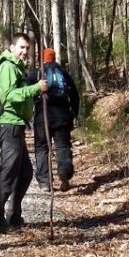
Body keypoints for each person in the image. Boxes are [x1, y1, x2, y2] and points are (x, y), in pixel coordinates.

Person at [0, 33, 48, 233]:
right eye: (21, 47)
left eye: (27, 48)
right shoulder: (7, 66)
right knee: (8, 172)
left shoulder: (17, 68)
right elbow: (9, 96)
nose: (25, 52)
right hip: (9, 125)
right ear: (12, 48)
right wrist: (35, 89)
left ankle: (14, 216)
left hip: (17, 124)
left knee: (24, 173)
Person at [31, 47, 80, 191]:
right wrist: (74, 114)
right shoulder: (62, 72)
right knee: (62, 145)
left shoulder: (36, 73)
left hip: (42, 115)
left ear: (42, 58)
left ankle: (45, 182)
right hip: (62, 114)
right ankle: (64, 174)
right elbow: (74, 95)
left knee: (42, 147)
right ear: (54, 58)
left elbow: (28, 93)